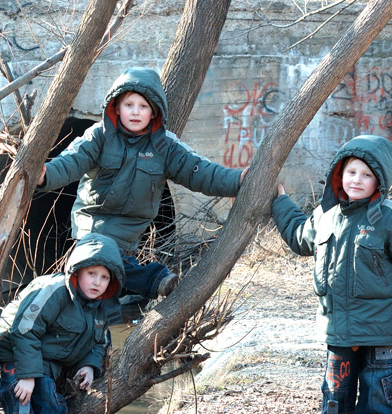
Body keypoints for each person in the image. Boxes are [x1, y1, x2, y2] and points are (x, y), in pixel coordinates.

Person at [272, 135, 392, 414]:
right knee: (336, 390)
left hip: (383, 329)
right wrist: (279, 201)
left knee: (377, 392)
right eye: (350, 172)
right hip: (339, 328)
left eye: (365, 175)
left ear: (379, 181)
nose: (356, 180)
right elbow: (299, 236)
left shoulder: (391, 219)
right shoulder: (326, 216)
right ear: (338, 175)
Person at [38, 67, 245, 300]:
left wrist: (236, 181)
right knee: (93, 272)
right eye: (129, 105)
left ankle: (107, 328)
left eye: (143, 106)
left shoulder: (164, 146)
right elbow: (71, 162)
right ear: (116, 107)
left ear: (154, 112)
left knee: (107, 292)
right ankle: (155, 280)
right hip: (93, 227)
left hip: (128, 234)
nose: (135, 112)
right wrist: (44, 175)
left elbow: (200, 171)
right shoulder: (99, 136)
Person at [0, 233, 124, 414]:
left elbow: (100, 343)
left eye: (105, 277)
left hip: (49, 361)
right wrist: (28, 376)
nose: (97, 282)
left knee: (52, 404)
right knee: (22, 405)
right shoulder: (54, 291)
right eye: (92, 274)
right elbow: (24, 331)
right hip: (17, 350)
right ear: (77, 272)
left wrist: (89, 365)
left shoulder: (100, 307)